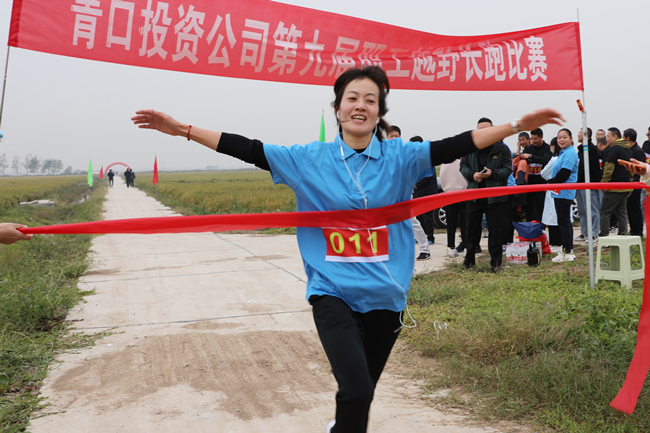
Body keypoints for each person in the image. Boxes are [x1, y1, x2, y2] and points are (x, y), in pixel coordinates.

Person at [131, 65, 563, 433]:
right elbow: (249, 149)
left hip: (387, 295)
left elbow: (454, 145)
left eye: (370, 100)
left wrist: (516, 125)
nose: (360, 106)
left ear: (379, 112)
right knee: (355, 390)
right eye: (352, 98)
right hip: (332, 292)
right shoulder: (307, 159)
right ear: (337, 108)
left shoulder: (401, 157)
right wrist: (182, 130)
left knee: (361, 394)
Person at [459, 117, 513, 273]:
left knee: (495, 231)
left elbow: (507, 169)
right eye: (480, 130)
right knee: (471, 229)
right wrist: (472, 175)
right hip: (474, 194)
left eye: (486, 129)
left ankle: (496, 263)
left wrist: (492, 174)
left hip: (494, 196)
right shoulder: (469, 147)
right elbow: (463, 166)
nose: (483, 132)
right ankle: (469, 260)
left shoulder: (502, 148)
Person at [387, 126, 431, 259]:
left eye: (396, 136)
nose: (393, 138)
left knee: (412, 221)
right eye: (391, 136)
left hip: (402, 194)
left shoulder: (405, 153)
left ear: (400, 137)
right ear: (386, 137)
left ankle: (425, 249)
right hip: (385, 195)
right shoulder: (381, 153)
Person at [547, 129, 579, 262]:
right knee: (563, 221)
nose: (561, 140)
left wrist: (551, 183)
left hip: (564, 192)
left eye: (564, 137)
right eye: (559, 137)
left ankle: (567, 251)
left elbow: (565, 173)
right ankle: (566, 249)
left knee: (564, 222)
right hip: (559, 191)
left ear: (571, 138)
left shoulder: (570, 153)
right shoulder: (563, 152)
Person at [599, 127, 633, 237]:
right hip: (625, 185)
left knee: (605, 212)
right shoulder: (628, 150)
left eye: (608, 136)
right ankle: (623, 235)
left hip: (614, 187)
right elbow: (631, 169)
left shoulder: (613, 149)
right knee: (621, 212)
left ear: (615, 137)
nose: (606, 139)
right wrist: (630, 184)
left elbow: (608, 168)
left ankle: (604, 237)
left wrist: (604, 183)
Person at [574, 127, 602, 244]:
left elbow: (590, 168)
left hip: (590, 184)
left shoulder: (592, 149)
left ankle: (594, 233)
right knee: (582, 211)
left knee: (592, 210)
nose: (578, 134)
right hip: (580, 183)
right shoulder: (580, 150)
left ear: (586, 135)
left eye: (580, 133)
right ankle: (585, 233)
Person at [520, 128, 552, 222]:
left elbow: (545, 160)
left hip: (542, 183)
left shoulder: (547, 148)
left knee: (540, 206)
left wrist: (531, 156)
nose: (533, 141)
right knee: (528, 206)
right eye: (532, 139)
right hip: (530, 183)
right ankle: (530, 225)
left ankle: (540, 226)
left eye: (535, 139)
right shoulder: (530, 148)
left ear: (541, 137)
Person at [411, 135, 438, 245]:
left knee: (427, 216)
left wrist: (415, 184)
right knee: (419, 216)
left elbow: (427, 175)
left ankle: (430, 237)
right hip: (418, 192)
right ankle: (420, 237)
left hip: (427, 192)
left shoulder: (427, 158)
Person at [439, 158, 468, 257]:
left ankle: (452, 248)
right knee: (465, 223)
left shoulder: (444, 163)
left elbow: (442, 178)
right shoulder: (463, 161)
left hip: (449, 194)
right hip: (464, 194)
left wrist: (446, 189)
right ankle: (466, 247)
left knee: (451, 223)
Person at [541, 138, 563, 247]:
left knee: (552, 216)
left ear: (554, 147)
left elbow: (543, 173)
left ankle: (555, 243)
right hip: (564, 189)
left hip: (553, 187)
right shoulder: (565, 157)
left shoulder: (554, 159)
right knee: (561, 216)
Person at [624, 128, 645, 236]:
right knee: (630, 208)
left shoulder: (637, 151)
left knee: (635, 207)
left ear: (628, 138)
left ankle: (637, 231)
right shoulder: (630, 150)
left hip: (636, 184)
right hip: (631, 183)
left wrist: (633, 185)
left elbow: (640, 171)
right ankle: (633, 229)